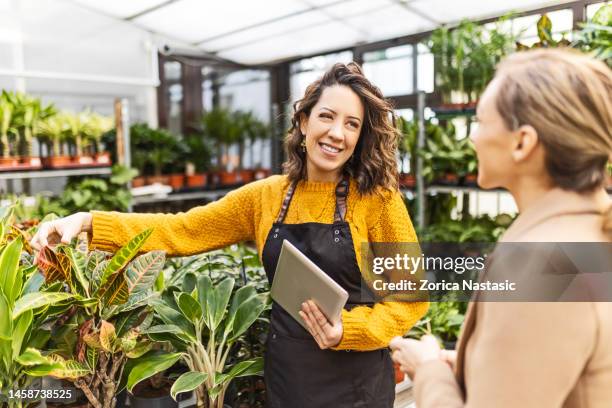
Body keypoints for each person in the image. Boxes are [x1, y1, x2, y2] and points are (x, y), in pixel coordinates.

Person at [32, 62, 428, 408]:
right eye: (327, 116)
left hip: (357, 386)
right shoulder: (265, 197)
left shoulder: (378, 201)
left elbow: (411, 299)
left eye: (351, 124)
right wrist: (87, 221)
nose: (336, 133)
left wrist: (350, 330)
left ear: (360, 137)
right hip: (290, 379)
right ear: (304, 121)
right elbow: (181, 229)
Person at [389, 48, 612, 407]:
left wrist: (429, 369)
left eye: (481, 122)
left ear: (523, 142)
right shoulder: (588, 234)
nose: (472, 139)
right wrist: (468, 367)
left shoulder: (542, 263)